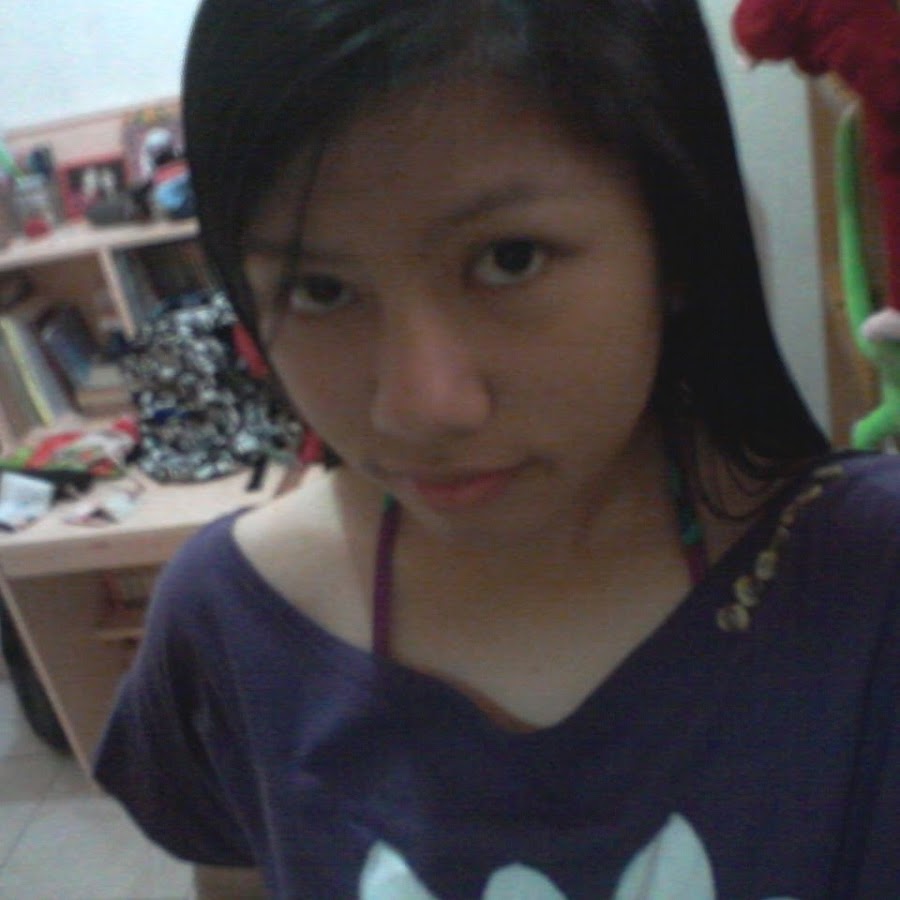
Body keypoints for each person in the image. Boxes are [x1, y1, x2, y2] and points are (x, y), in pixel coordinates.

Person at [93, 0, 900, 897]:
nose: (419, 409)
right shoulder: (227, 625)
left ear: (677, 239)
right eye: (320, 289)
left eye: (510, 258)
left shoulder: (869, 582)